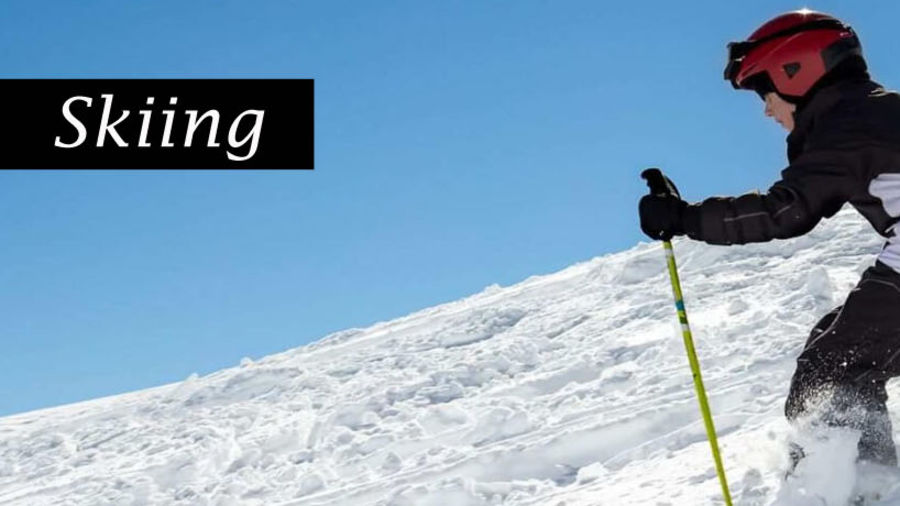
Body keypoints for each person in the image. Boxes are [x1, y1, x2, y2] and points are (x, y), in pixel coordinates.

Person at [638, 9, 900, 468]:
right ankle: (863, 479)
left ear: (797, 72)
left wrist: (683, 218)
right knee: (835, 345)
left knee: (831, 370)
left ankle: (857, 489)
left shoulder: (848, 128)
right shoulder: (879, 111)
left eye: (766, 92)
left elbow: (784, 212)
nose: (766, 110)